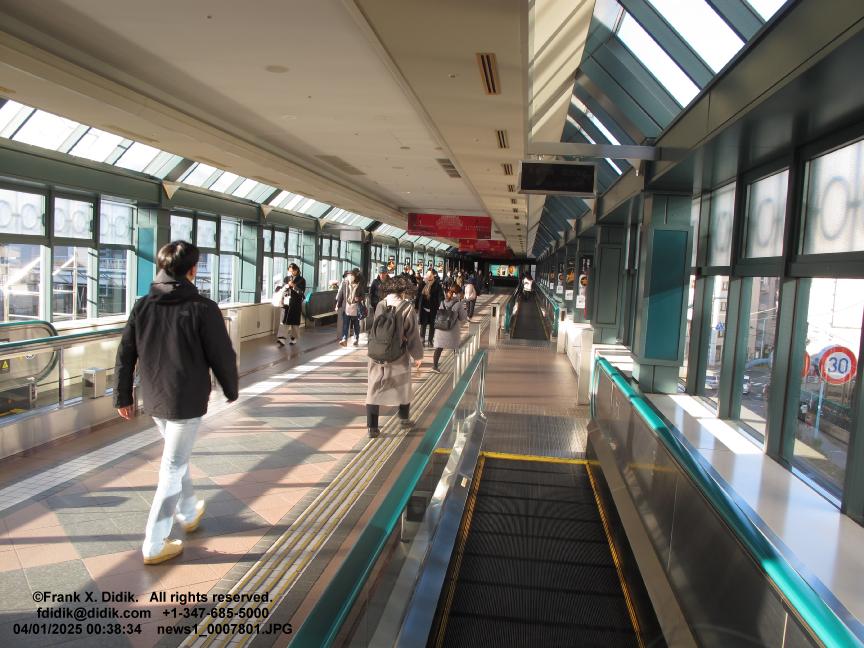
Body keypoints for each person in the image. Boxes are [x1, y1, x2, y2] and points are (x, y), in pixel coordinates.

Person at [114, 241, 239, 565]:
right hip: (186, 400)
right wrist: (230, 388)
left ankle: (188, 511)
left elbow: (125, 353)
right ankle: (154, 544)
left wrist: (123, 395)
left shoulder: (143, 306)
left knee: (176, 457)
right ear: (192, 270)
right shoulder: (203, 307)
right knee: (172, 467)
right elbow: (221, 354)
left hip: (155, 397)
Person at [366, 276, 424, 438]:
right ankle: (404, 419)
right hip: (398, 355)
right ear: (403, 291)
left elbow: (376, 328)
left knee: (373, 388)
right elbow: (412, 334)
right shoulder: (407, 307)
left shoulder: (380, 304)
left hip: (376, 353)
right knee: (403, 385)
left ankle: (372, 428)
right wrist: (418, 356)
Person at [432, 284, 468, 373]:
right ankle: (458, 368)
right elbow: (462, 318)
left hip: (441, 328)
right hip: (452, 330)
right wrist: (465, 309)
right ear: (458, 293)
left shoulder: (443, 302)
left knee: (439, 348)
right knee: (456, 348)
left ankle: (435, 366)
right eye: (461, 293)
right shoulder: (458, 304)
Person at [274, 263, 306, 346]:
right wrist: (284, 287)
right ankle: (281, 339)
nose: (291, 273)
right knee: (283, 321)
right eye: (289, 271)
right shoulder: (286, 278)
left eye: (292, 271)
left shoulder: (301, 280)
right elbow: (282, 289)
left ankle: (294, 337)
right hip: (286, 303)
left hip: (295, 304)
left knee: (294, 322)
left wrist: (294, 286)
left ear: (296, 270)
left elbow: (301, 292)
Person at [336, 268, 366, 346]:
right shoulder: (344, 284)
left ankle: (356, 338)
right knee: (345, 324)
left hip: (356, 308)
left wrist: (358, 298)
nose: (350, 277)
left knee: (356, 324)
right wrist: (338, 305)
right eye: (348, 275)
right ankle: (344, 339)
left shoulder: (359, 285)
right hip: (346, 307)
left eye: (351, 275)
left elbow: (363, 296)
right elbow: (340, 296)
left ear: (355, 276)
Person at [416, 269, 444, 347]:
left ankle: (430, 340)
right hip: (424, 307)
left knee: (432, 325)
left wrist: (441, 303)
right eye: (428, 275)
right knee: (423, 324)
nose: (429, 276)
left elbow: (440, 295)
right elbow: (418, 295)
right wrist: (416, 306)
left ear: (433, 276)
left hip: (433, 307)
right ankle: (422, 340)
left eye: (430, 275)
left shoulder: (437, 285)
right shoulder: (422, 283)